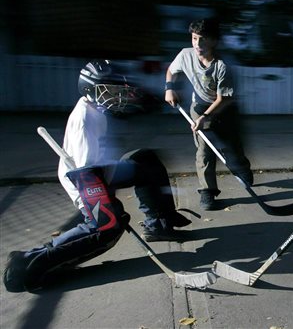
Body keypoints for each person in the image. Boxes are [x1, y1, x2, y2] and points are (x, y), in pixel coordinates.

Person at [3, 60, 191, 293]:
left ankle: (158, 226)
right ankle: (32, 262)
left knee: (145, 160)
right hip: (86, 181)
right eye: (110, 90)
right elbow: (85, 174)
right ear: (90, 89)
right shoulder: (85, 121)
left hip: (103, 170)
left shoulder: (98, 107)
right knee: (108, 226)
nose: (117, 95)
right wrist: (108, 204)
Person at [165, 17, 253, 211]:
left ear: (214, 41)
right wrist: (169, 89)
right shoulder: (185, 55)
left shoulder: (223, 66)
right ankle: (207, 192)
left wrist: (207, 116)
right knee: (204, 150)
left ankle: (242, 168)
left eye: (203, 39)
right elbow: (171, 71)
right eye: (195, 38)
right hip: (199, 107)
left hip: (225, 108)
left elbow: (224, 99)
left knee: (232, 147)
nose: (197, 44)